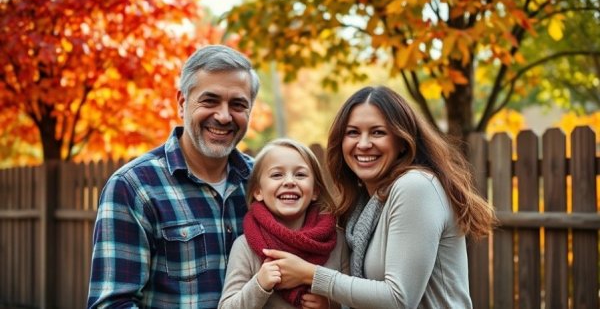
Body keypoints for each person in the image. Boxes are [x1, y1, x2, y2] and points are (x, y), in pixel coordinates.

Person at [262, 86, 496, 309]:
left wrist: (310, 274)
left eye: (378, 132)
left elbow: (399, 299)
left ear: (402, 142)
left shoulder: (415, 187)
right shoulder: (364, 204)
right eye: (353, 132)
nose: (363, 144)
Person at [87, 45, 261, 308]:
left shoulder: (262, 183)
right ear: (182, 102)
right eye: (210, 100)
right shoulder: (134, 187)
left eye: (237, 104)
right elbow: (112, 304)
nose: (224, 116)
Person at [218, 138, 348, 309]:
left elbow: (353, 299)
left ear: (315, 191)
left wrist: (331, 305)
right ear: (258, 191)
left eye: (300, 174)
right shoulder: (245, 246)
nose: (289, 181)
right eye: (277, 175)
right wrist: (259, 284)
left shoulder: (336, 241)